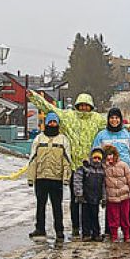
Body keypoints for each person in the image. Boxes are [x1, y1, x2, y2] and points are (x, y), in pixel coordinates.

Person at [27, 90, 107, 237]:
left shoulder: (97, 119)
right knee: (75, 199)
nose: (83, 108)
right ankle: (76, 227)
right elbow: (49, 108)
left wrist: (129, 130)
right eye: (81, 105)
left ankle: (89, 229)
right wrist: (34, 97)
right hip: (73, 166)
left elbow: (112, 126)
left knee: (91, 200)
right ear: (77, 105)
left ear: (91, 106)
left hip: (91, 167)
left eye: (86, 105)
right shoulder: (68, 116)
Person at [27, 112, 73, 239]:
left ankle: (59, 230)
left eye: (54, 122)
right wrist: (31, 177)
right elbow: (32, 159)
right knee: (40, 205)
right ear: (46, 123)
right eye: (50, 122)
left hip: (56, 178)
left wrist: (66, 178)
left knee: (57, 206)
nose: (52, 124)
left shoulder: (63, 139)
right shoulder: (39, 139)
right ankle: (39, 228)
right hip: (41, 178)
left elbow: (67, 160)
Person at [102, 144, 130, 242]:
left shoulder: (123, 165)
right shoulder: (103, 168)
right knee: (113, 218)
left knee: (125, 217)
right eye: (107, 155)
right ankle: (114, 235)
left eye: (111, 154)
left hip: (125, 197)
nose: (109, 157)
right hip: (112, 197)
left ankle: (127, 235)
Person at [72, 147, 107, 241]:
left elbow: (104, 186)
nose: (96, 160)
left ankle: (96, 233)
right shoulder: (84, 168)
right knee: (85, 216)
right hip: (85, 197)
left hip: (96, 197)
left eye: (99, 158)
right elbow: (77, 181)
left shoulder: (102, 171)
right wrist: (79, 194)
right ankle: (86, 233)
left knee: (95, 216)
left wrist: (104, 198)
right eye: (95, 158)